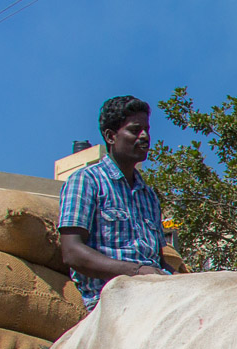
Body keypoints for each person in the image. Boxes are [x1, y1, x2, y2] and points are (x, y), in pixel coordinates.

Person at [59, 95, 170, 309]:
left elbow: (159, 260)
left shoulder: (149, 196)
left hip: (155, 295)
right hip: (111, 299)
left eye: (146, 130)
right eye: (135, 130)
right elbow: (72, 252)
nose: (145, 136)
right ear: (111, 137)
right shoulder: (86, 181)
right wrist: (137, 272)